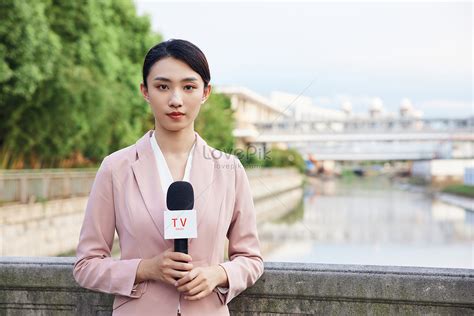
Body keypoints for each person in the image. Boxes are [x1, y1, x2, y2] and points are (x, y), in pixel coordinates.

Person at [73, 39, 264, 315]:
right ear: (145, 91)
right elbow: (86, 266)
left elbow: (251, 258)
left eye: (188, 87)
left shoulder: (230, 170)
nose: (176, 100)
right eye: (163, 86)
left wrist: (218, 274)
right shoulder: (116, 168)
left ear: (205, 92)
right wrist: (145, 268)